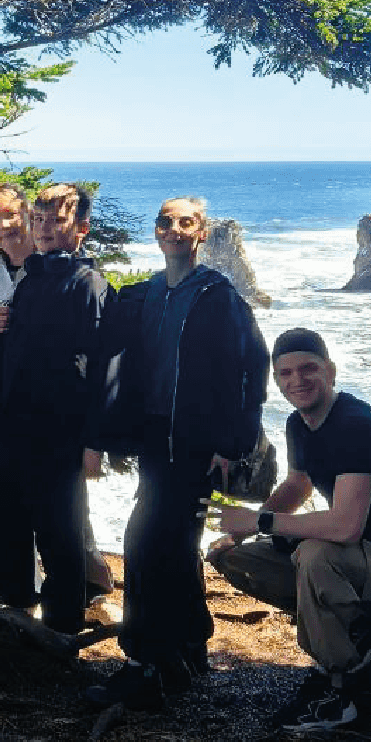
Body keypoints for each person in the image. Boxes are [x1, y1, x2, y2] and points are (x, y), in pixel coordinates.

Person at [216, 327, 371, 732]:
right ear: (276, 380)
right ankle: (362, 637)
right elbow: (298, 485)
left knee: (315, 554)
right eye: (285, 373)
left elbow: (346, 527)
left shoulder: (355, 424)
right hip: (362, 558)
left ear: (330, 371)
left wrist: (259, 521)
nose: (297, 380)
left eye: (308, 369)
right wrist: (239, 534)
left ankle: (346, 687)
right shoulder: (299, 424)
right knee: (238, 558)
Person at [85, 197, 269, 712]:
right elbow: (105, 349)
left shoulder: (218, 296)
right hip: (153, 439)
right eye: (165, 222)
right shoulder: (144, 294)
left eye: (185, 222)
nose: (173, 229)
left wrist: (233, 444)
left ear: (201, 233)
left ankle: (146, 663)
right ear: (156, 231)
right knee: (176, 542)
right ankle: (188, 646)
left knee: (144, 542)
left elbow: (252, 367)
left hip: (196, 445)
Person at [0, 183, 111, 640]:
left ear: (81, 228)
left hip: (60, 434)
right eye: (41, 220)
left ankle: (62, 630)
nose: (46, 228)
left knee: (60, 532)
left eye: (58, 220)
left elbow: (102, 370)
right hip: (10, 426)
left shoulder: (87, 285)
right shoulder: (31, 279)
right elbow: (2, 358)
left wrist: (95, 443)